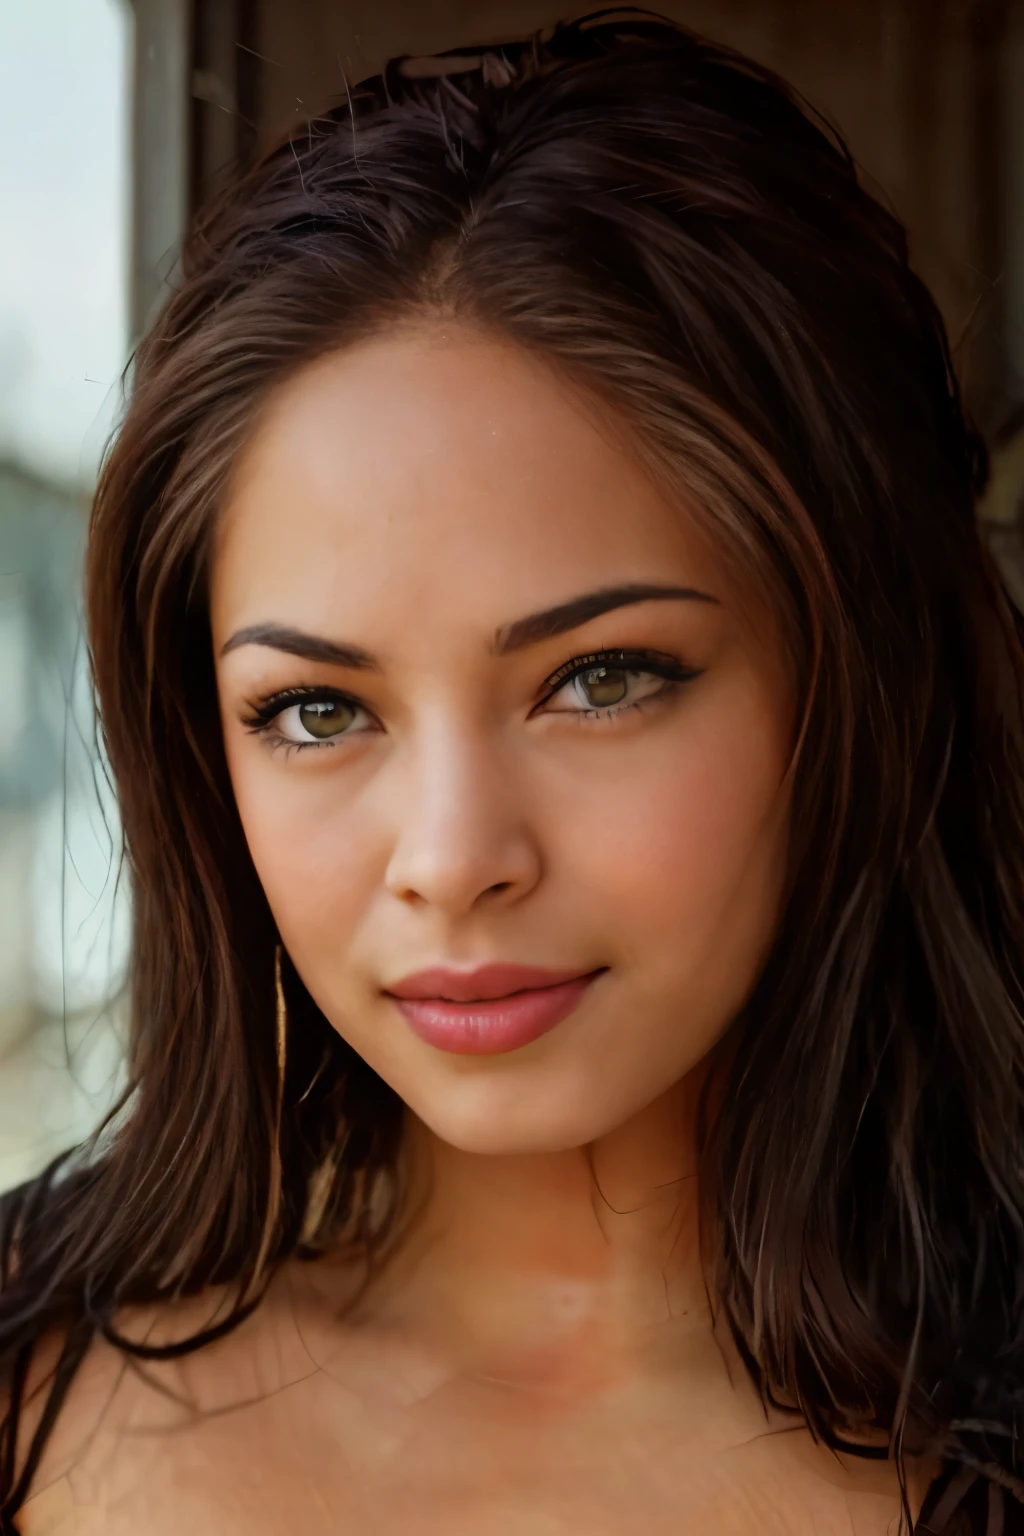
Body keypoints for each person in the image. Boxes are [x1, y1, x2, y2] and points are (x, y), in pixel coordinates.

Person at [2, 11, 1022, 1532]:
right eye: (315, 711)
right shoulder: (35, 1385)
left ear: (860, 674)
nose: (453, 855)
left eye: (602, 680)